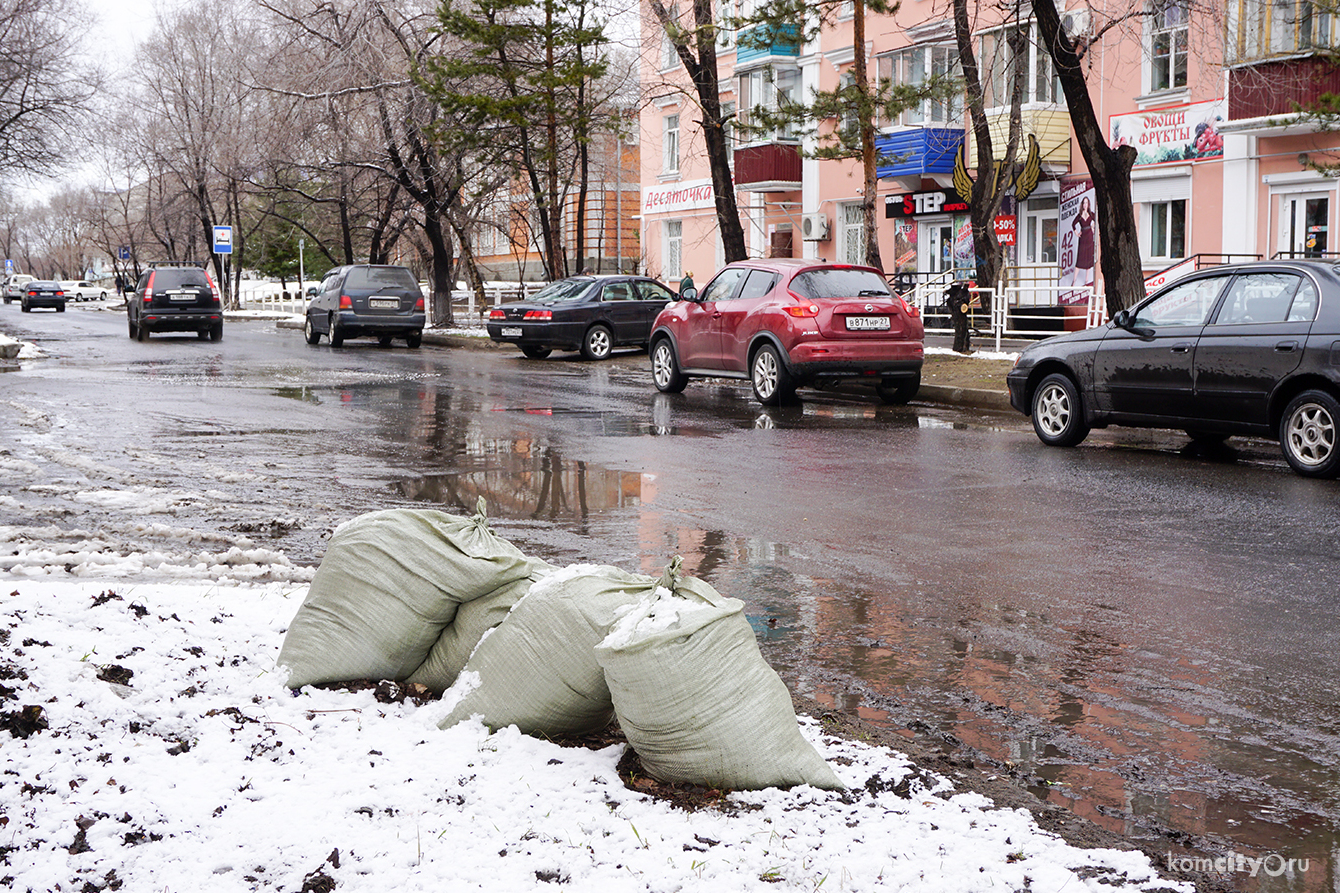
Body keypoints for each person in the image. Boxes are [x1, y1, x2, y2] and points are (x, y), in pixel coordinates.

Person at [1074, 197, 1095, 288]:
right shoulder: (1079, 215)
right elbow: (1073, 224)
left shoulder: (1091, 214)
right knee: (1080, 257)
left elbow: (1096, 221)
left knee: (1089, 257)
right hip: (1083, 237)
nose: (1085, 204)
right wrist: (1077, 233)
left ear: (1088, 204)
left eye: (1086, 203)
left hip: (1089, 236)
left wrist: (1093, 228)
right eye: (1084, 203)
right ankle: (1074, 280)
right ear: (1082, 204)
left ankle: (1086, 280)